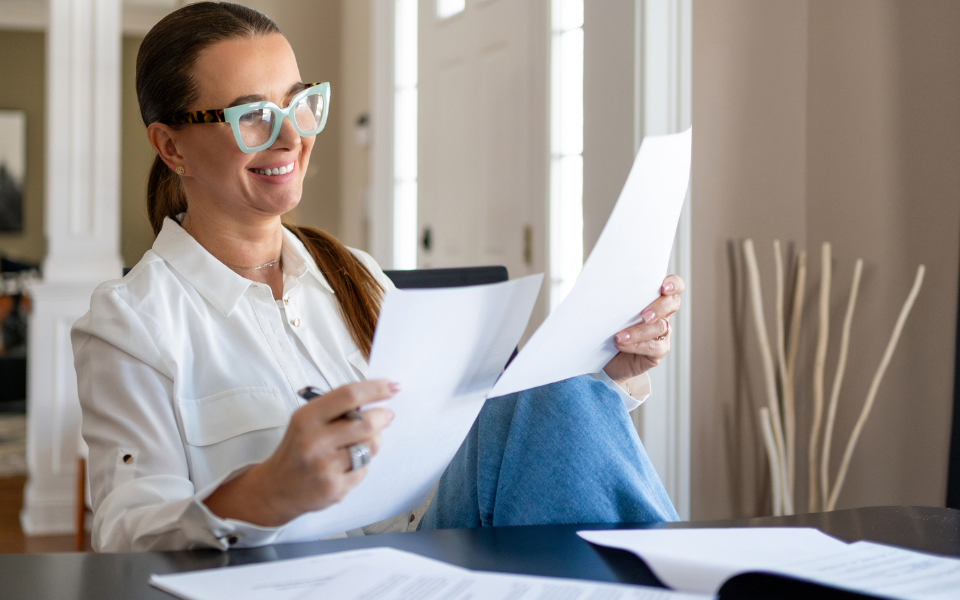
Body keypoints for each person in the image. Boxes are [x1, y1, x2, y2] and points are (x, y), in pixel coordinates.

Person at [72, 2, 685, 553]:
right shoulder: (131, 322)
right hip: (295, 581)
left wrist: (608, 373)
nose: (291, 136)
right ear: (171, 147)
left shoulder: (356, 274)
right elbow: (128, 530)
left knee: (563, 389)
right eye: (253, 116)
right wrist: (263, 494)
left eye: (299, 103)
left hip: (431, 547)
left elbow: (469, 438)